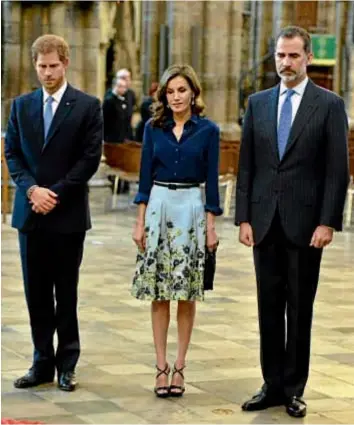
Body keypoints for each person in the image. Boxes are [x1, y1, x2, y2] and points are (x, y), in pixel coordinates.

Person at [235, 26, 349, 418]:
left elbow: (337, 171)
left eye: (293, 56)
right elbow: (247, 165)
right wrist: (243, 217)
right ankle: (271, 384)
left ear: (307, 58)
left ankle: (294, 388)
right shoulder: (258, 103)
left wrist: (328, 222)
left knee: (300, 309)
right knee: (268, 307)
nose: (285, 62)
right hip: (264, 222)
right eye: (280, 56)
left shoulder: (329, 105)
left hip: (306, 226)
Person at [5, 34, 103, 392]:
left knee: (66, 291)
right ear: (35, 65)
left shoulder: (87, 106)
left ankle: (68, 364)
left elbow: (89, 159)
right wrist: (31, 189)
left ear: (66, 63)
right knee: (36, 293)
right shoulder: (21, 106)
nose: (47, 73)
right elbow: (12, 153)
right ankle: (41, 361)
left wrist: (54, 193)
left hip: (67, 214)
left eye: (53, 66)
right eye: (41, 67)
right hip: (30, 213)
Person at [131, 64, 222, 398]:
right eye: (170, 92)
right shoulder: (153, 128)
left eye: (182, 90)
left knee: (185, 292)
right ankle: (160, 366)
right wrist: (139, 222)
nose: (176, 97)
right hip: (158, 205)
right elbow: (143, 179)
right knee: (159, 292)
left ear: (193, 92)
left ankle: (180, 366)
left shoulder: (208, 130)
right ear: (163, 95)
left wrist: (211, 227)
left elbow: (211, 182)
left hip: (191, 208)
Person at [103, 77, 130, 143]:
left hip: (121, 138)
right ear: (116, 86)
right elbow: (104, 119)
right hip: (111, 138)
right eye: (121, 86)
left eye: (125, 87)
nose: (124, 89)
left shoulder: (123, 99)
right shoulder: (109, 100)